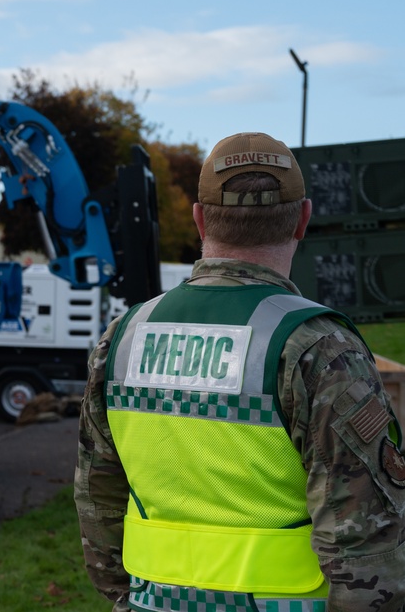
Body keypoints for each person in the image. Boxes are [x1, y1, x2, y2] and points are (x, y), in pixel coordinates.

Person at [73, 132, 405, 611]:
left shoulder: (123, 337)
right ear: (304, 219)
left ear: (200, 218)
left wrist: (124, 597)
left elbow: (96, 495)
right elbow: (366, 537)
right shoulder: (317, 345)